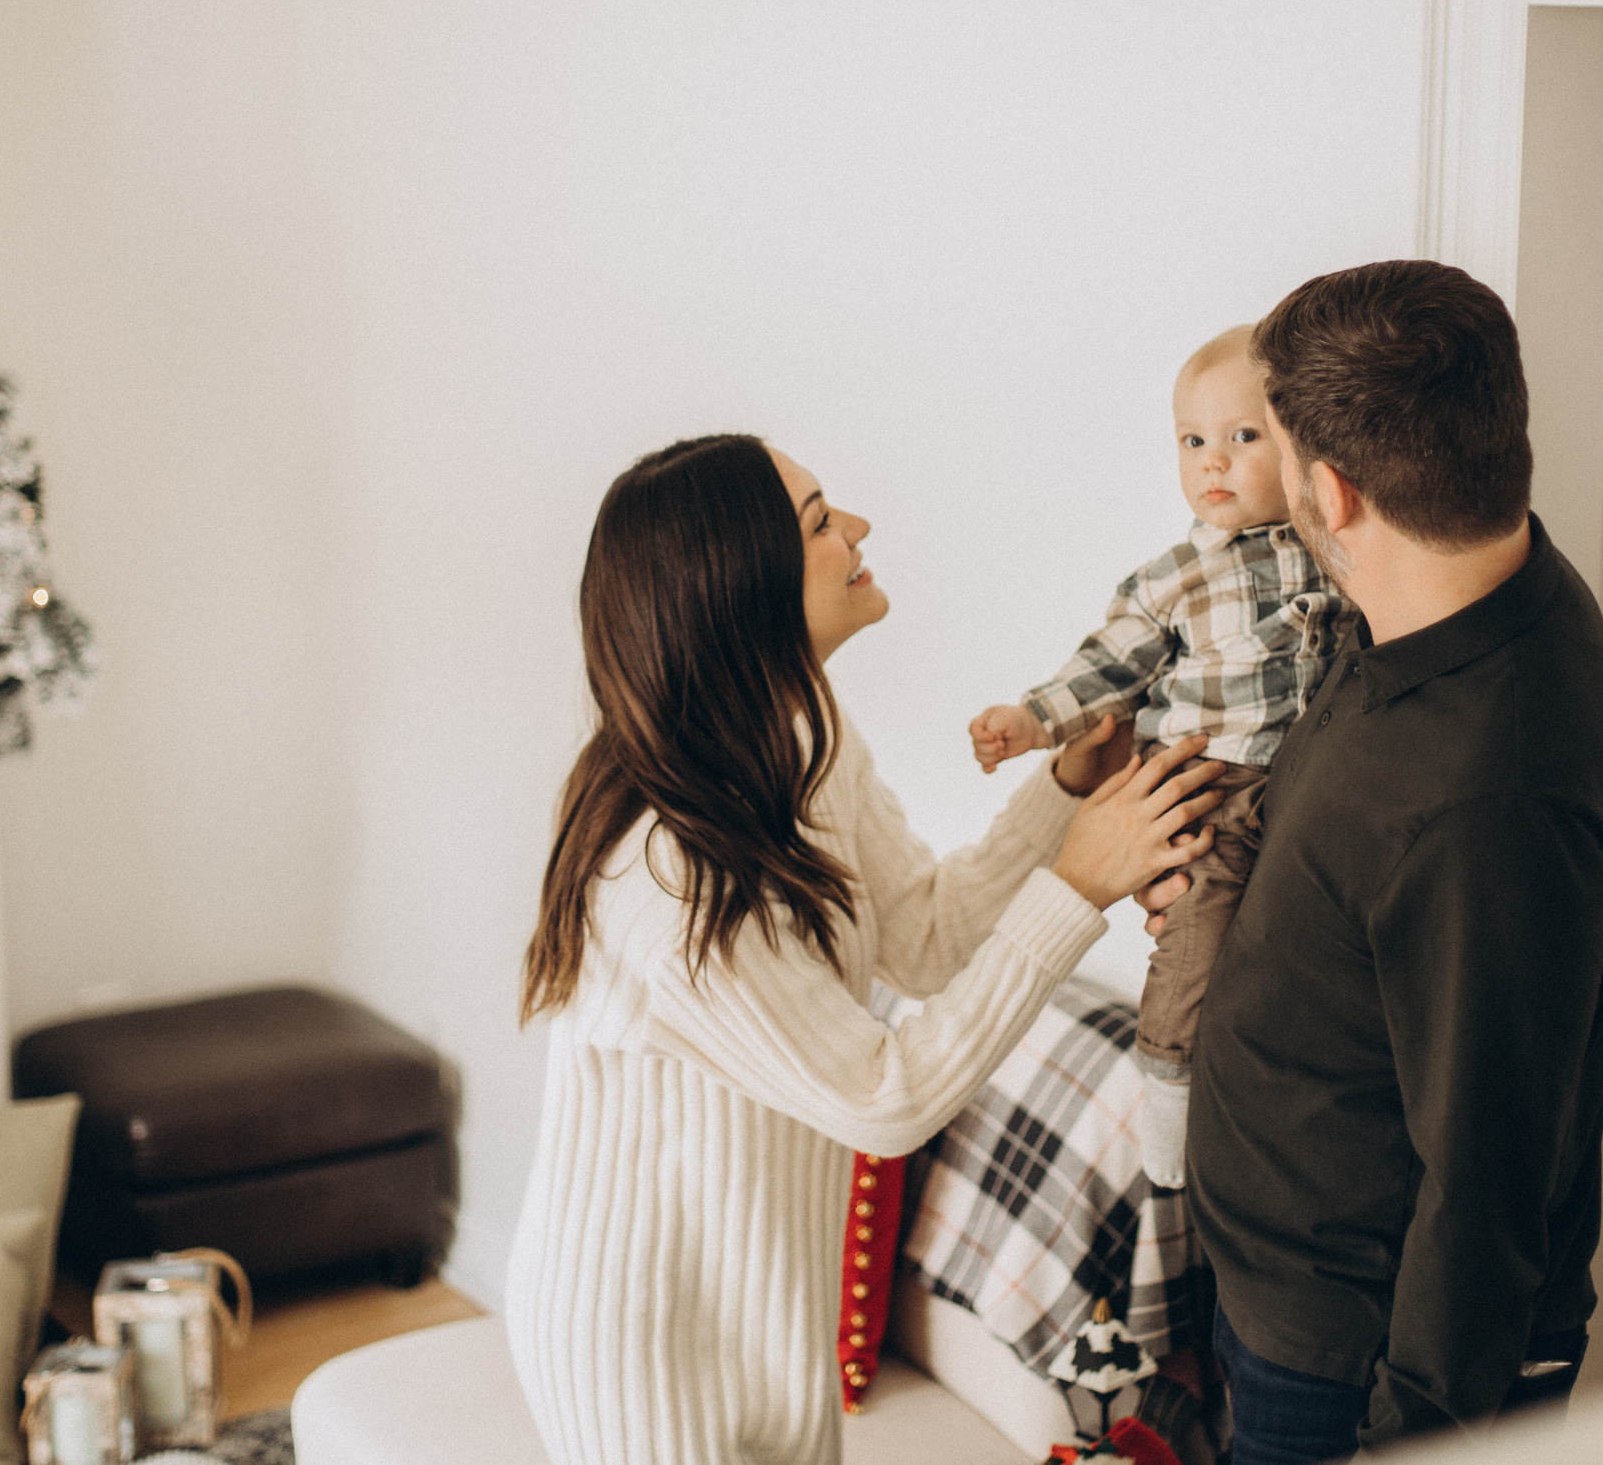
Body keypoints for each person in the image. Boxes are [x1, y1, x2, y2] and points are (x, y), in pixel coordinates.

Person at [507, 433, 1226, 1465]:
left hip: (761, 1310)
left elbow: (927, 939)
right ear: (741, 585)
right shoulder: (667, 872)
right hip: (642, 1339)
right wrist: (1078, 883)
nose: (858, 529)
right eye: (818, 520)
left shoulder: (799, 735)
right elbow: (883, 1102)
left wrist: (1064, 790)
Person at [1144, 261, 1603, 1462]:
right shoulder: (1442, 592)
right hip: (1281, 1291)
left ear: (1328, 485)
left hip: (1354, 1369)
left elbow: (1490, 1178)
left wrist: (1407, 1436)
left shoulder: (1492, 796)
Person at [966, 325, 1347, 1187]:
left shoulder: (1330, 545)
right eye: (1193, 441)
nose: (1214, 462)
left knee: (1292, 947)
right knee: (1195, 935)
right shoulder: (1171, 578)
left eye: (1244, 437)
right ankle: (1170, 1092)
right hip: (1209, 782)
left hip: (1304, 783)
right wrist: (1030, 721)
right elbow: (1104, 668)